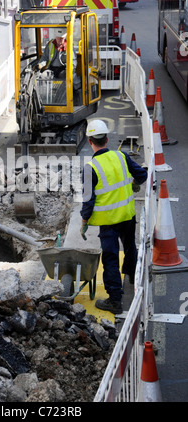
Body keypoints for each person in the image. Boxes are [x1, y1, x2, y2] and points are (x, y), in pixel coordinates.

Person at [80, 119, 147, 314]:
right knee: (129, 247)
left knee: (110, 258)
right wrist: (134, 184)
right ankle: (133, 277)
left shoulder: (89, 168)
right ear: (107, 139)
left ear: (90, 141)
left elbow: (88, 201)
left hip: (108, 222)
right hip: (127, 215)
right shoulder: (121, 156)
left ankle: (115, 301)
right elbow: (141, 176)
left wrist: (84, 221)